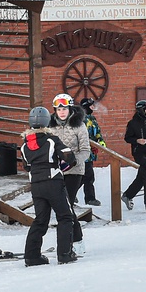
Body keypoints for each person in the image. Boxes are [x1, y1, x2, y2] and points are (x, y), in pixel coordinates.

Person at [20, 106, 78, 266]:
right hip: (53, 182)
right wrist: (65, 164)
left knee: (40, 220)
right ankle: (65, 254)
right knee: (65, 217)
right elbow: (69, 156)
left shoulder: (24, 146)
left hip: (36, 185)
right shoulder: (52, 140)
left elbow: (26, 166)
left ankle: (32, 257)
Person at [47, 93, 90, 244]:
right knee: (63, 206)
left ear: (70, 108)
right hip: (57, 171)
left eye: (64, 109)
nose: (62, 112)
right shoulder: (50, 126)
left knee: (67, 204)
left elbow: (85, 150)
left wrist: (74, 161)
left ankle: (76, 240)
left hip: (74, 171)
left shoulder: (79, 125)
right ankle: (70, 239)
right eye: (59, 110)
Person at [121, 100, 146, 213]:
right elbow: (127, 138)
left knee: (142, 177)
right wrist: (137, 140)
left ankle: (127, 195)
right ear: (141, 110)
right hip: (138, 152)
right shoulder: (133, 123)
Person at [78, 98, 106, 206]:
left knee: (85, 176)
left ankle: (70, 193)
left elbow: (97, 132)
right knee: (87, 176)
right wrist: (90, 145)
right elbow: (82, 136)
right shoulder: (81, 120)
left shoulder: (92, 119)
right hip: (84, 153)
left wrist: (101, 141)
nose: (93, 107)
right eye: (91, 105)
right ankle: (89, 198)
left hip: (91, 153)